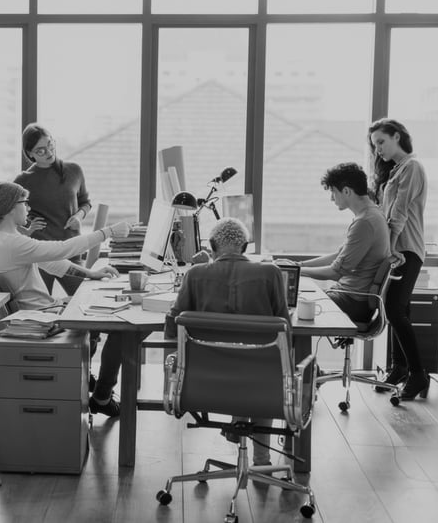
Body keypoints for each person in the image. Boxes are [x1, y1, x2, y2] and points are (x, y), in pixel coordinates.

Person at [0, 181, 131, 417]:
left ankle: (86, 379)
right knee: (122, 329)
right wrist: (107, 232)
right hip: (40, 317)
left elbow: (50, 261)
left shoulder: (2, 239)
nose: (28, 208)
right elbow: (61, 249)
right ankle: (101, 396)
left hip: (43, 310)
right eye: (24, 203)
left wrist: (90, 273)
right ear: (10, 207)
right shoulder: (11, 243)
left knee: (97, 309)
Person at [164, 218, 290, 467]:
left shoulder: (196, 275)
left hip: (208, 380)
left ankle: (238, 422)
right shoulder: (270, 273)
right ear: (244, 246)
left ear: (211, 247)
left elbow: (172, 324)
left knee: (242, 368)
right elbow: (285, 329)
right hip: (261, 380)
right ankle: (262, 457)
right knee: (266, 369)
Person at [368, 118, 429, 401]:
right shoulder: (396, 171)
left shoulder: (412, 168)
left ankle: (418, 373)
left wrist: (390, 251)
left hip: (407, 251)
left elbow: (399, 214)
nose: (377, 149)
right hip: (397, 250)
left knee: (393, 309)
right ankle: (400, 368)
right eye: (374, 145)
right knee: (398, 309)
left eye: (381, 142)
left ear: (396, 136)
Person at [291, 162, 390, 323]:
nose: (331, 198)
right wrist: (299, 265)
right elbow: (338, 256)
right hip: (351, 298)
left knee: (291, 305)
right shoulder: (372, 214)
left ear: (346, 191)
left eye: (333, 192)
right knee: (299, 298)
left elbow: (335, 272)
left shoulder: (364, 222)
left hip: (352, 302)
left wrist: (295, 271)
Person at [14, 123, 92, 296]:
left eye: (50, 145)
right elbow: (0, 216)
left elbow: (85, 202)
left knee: (82, 300)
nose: (49, 153)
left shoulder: (74, 171)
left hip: (72, 250)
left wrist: (79, 216)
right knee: (41, 310)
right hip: (41, 255)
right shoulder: (23, 180)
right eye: (40, 151)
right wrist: (27, 228)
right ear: (30, 154)